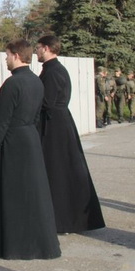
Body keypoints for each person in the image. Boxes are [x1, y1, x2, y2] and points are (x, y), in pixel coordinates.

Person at [0, 39, 61, 260]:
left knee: (12, 195)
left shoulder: (12, 84)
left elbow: (2, 120)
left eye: (6, 55)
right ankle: (36, 241)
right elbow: (36, 116)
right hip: (30, 138)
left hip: (12, 142)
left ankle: (14, 243)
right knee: (32, 194)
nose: (5, 59)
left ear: (15, 55)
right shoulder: (36, 81)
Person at [35, 35, 105, 233]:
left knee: (59, 172)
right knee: (64, 171)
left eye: (38, 47)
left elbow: (47, 102)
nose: (36, 51)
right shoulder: (56, 69)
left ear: (47, 48)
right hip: (60, 123)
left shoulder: (52, 72)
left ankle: (63, 220)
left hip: (54, 127)